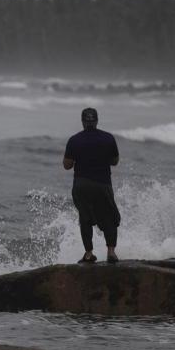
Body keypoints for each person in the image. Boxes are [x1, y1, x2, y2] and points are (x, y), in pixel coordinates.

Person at [63, 107, 121, 264]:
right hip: (102, 184)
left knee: (85, 218)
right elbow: (115, 161)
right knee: (109, 216)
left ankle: (88, 254)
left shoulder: (74, 140)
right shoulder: (108, 138)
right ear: (97, 121)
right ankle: (111, 252)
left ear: (82, 121)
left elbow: (67, 165)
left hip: (82, 185)